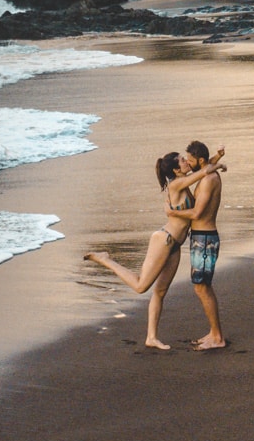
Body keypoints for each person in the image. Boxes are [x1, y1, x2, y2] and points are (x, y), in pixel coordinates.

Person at [85, 146, 224, 350]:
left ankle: (151, 337)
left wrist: (216, 157)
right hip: (164, 240)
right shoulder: (177, 185)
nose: (186, 161)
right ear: (176, 170)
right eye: (182, 160)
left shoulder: (183, 181)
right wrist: (218, 164)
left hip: (175, 245)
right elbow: (203, 170)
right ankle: (105, 259)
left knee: (160, 291)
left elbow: (202, 165)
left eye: (187, 159)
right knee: (141, 286)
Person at [174, 140, 227, 350]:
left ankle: (218, 338)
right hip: (201, 238)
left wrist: (172, 212)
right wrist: (219, 156)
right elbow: (208, 164)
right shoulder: (206, 171)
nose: (187, 162)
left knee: (202, 287)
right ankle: (214, 333)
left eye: (190, 160)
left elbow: (197, 213)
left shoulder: (208, 180)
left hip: (205, 240)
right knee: (202, 286)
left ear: (201, 161)